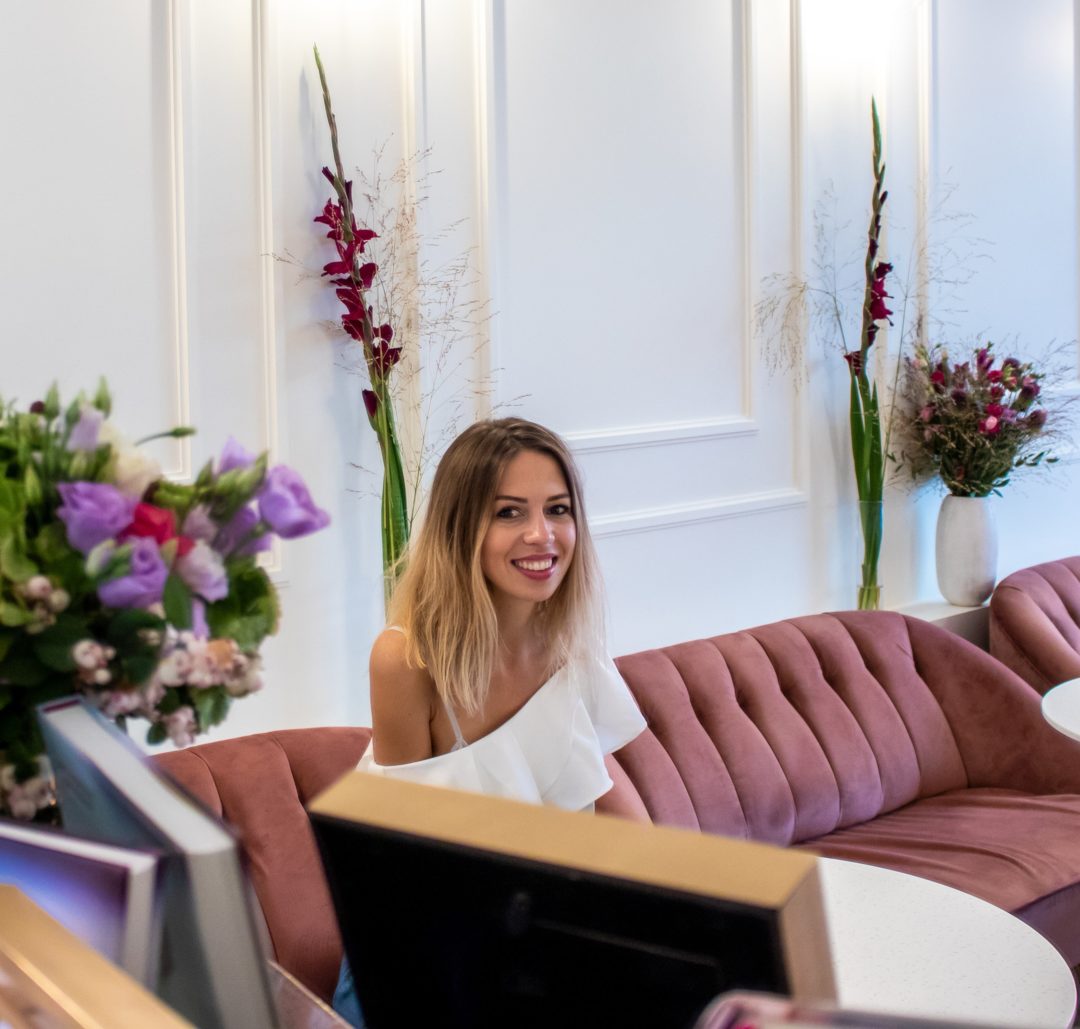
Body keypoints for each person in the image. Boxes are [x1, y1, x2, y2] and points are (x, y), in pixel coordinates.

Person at [332, 418, 649, 1026]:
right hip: (422, 952)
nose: (542, 535)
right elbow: (405, 872)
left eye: (558, 509)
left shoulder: (568, 641)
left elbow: (611, 796)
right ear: (460, 528)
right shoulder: (406, 659)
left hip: (530, 934)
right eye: (509, 513)